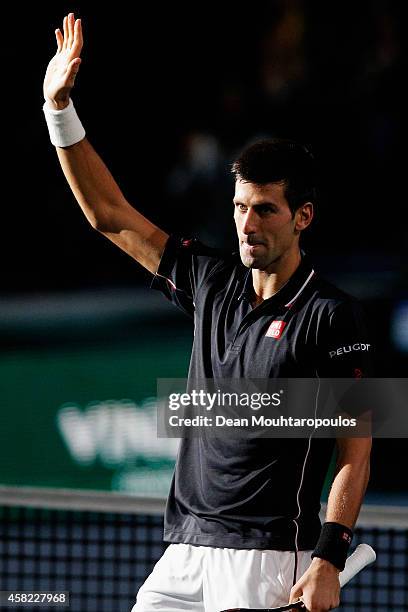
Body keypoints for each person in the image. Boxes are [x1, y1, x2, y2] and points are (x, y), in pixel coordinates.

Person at [43, 13, 372, 612]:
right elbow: (109, 215)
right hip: (185, 549)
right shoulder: (209, 279)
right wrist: (58, 109)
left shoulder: (334, 316)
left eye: (266, 210)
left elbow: (356, 449)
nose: (247, 224)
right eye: (241, 206)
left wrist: (329, 556)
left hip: (271, 557)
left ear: (303, 217)